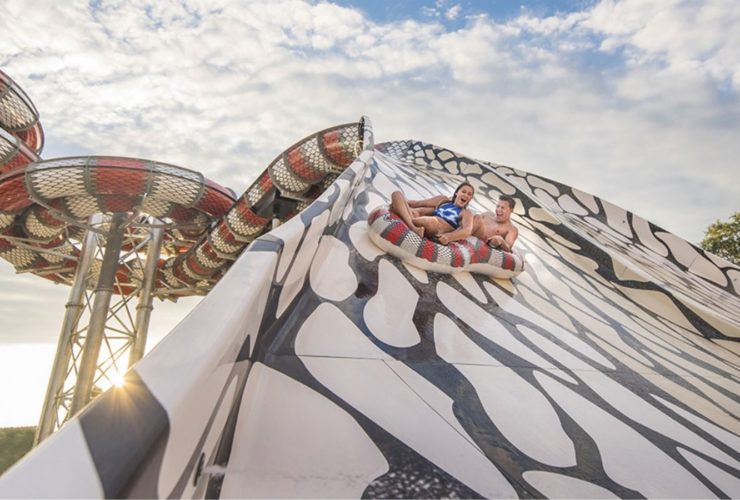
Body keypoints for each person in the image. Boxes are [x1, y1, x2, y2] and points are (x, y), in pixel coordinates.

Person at [389, 182, 475, 245]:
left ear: (470, 198)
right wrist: (400, 202)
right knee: (397, 194)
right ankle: (413, 227)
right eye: (463, 192)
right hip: (423, 222)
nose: (466, 195)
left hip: (437, 227)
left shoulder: (466, 213)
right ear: (457, 193)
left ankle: (409, 222)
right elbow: (417, 203)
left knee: (431, 221)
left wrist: (449, 237)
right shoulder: (443, 201)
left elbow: (467, 230)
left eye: (469, 194)